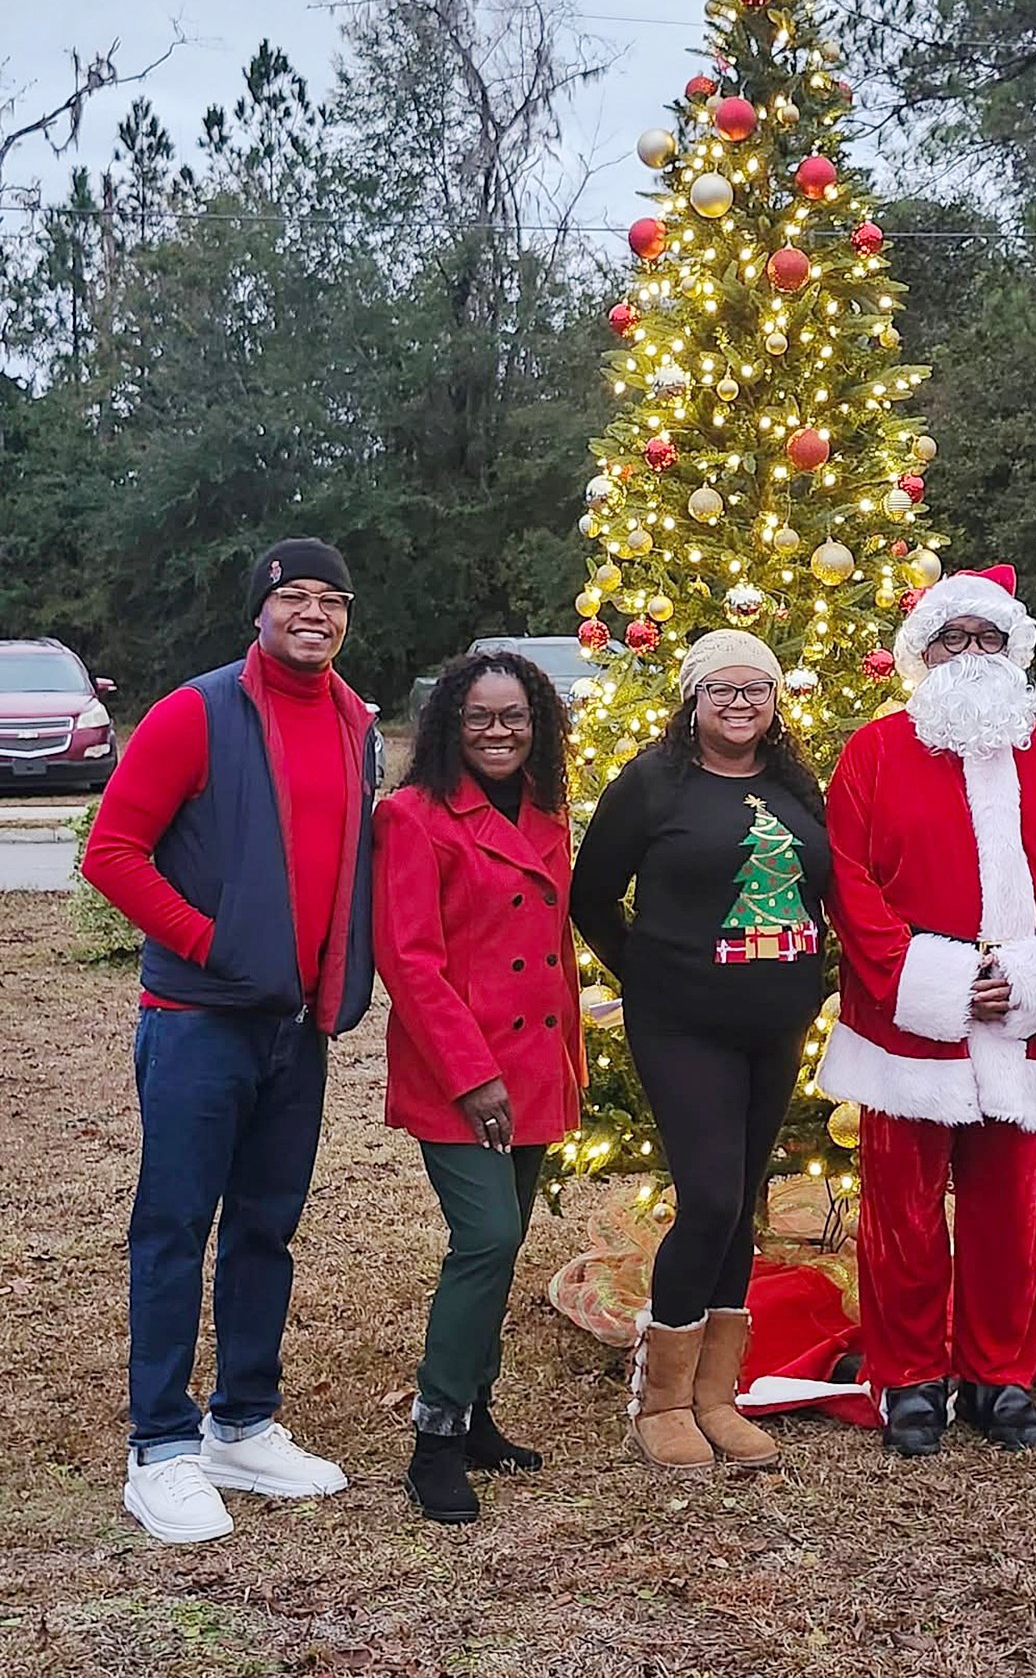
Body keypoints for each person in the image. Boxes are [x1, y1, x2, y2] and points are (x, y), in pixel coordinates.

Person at [81, 538, 378, 1544]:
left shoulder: (354, 723)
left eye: (331, 600)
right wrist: (214, 948)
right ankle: (159, 1444)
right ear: (259, 609)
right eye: (294, 596)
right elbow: (111, 852)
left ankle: (240, 1421)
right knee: (173, 1225)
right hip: (198, 1023)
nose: (315, 614)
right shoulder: (195, 713)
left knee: (266, 1224)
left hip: (296, 1025)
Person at [820, 566, 1036, 1458]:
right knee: (902, 1211)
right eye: (956, 638)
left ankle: (1000, 1375)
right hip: (913, 1025)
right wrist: (935, 977)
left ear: (1014, 650)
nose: (974, 654)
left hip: (1022, 1024)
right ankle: (908, 1377)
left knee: (1008, 1211)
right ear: (923, 652)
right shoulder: (873, 752)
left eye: (990, 638)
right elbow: (849, 880)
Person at [570, 631, 829, 1474]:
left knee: (745, 1199)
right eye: (722, 689)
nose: (741, 703)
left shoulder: (794, 785)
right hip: (682, 1023)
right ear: (693, 698)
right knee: (711, 1196)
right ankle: (663, 1398)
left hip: (776, 1020)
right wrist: (646, 974)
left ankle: (718, 1393)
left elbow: (830, 884)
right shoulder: (651, 785)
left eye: (757, 688)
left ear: (776, 700)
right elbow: (592, 895)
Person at [373, 651, 583, 1523]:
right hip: (462, 1074)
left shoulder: (549, 811)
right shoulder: (412, 817)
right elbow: (410, 961)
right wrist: (474, 1078)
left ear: (537, 722)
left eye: (515, 716)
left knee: (508, 1239)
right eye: (480, 717)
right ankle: (434, 1435)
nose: (499, 732)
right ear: (449, 724)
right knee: (486, 1237)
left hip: (536, 1065)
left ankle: (476, 1413)